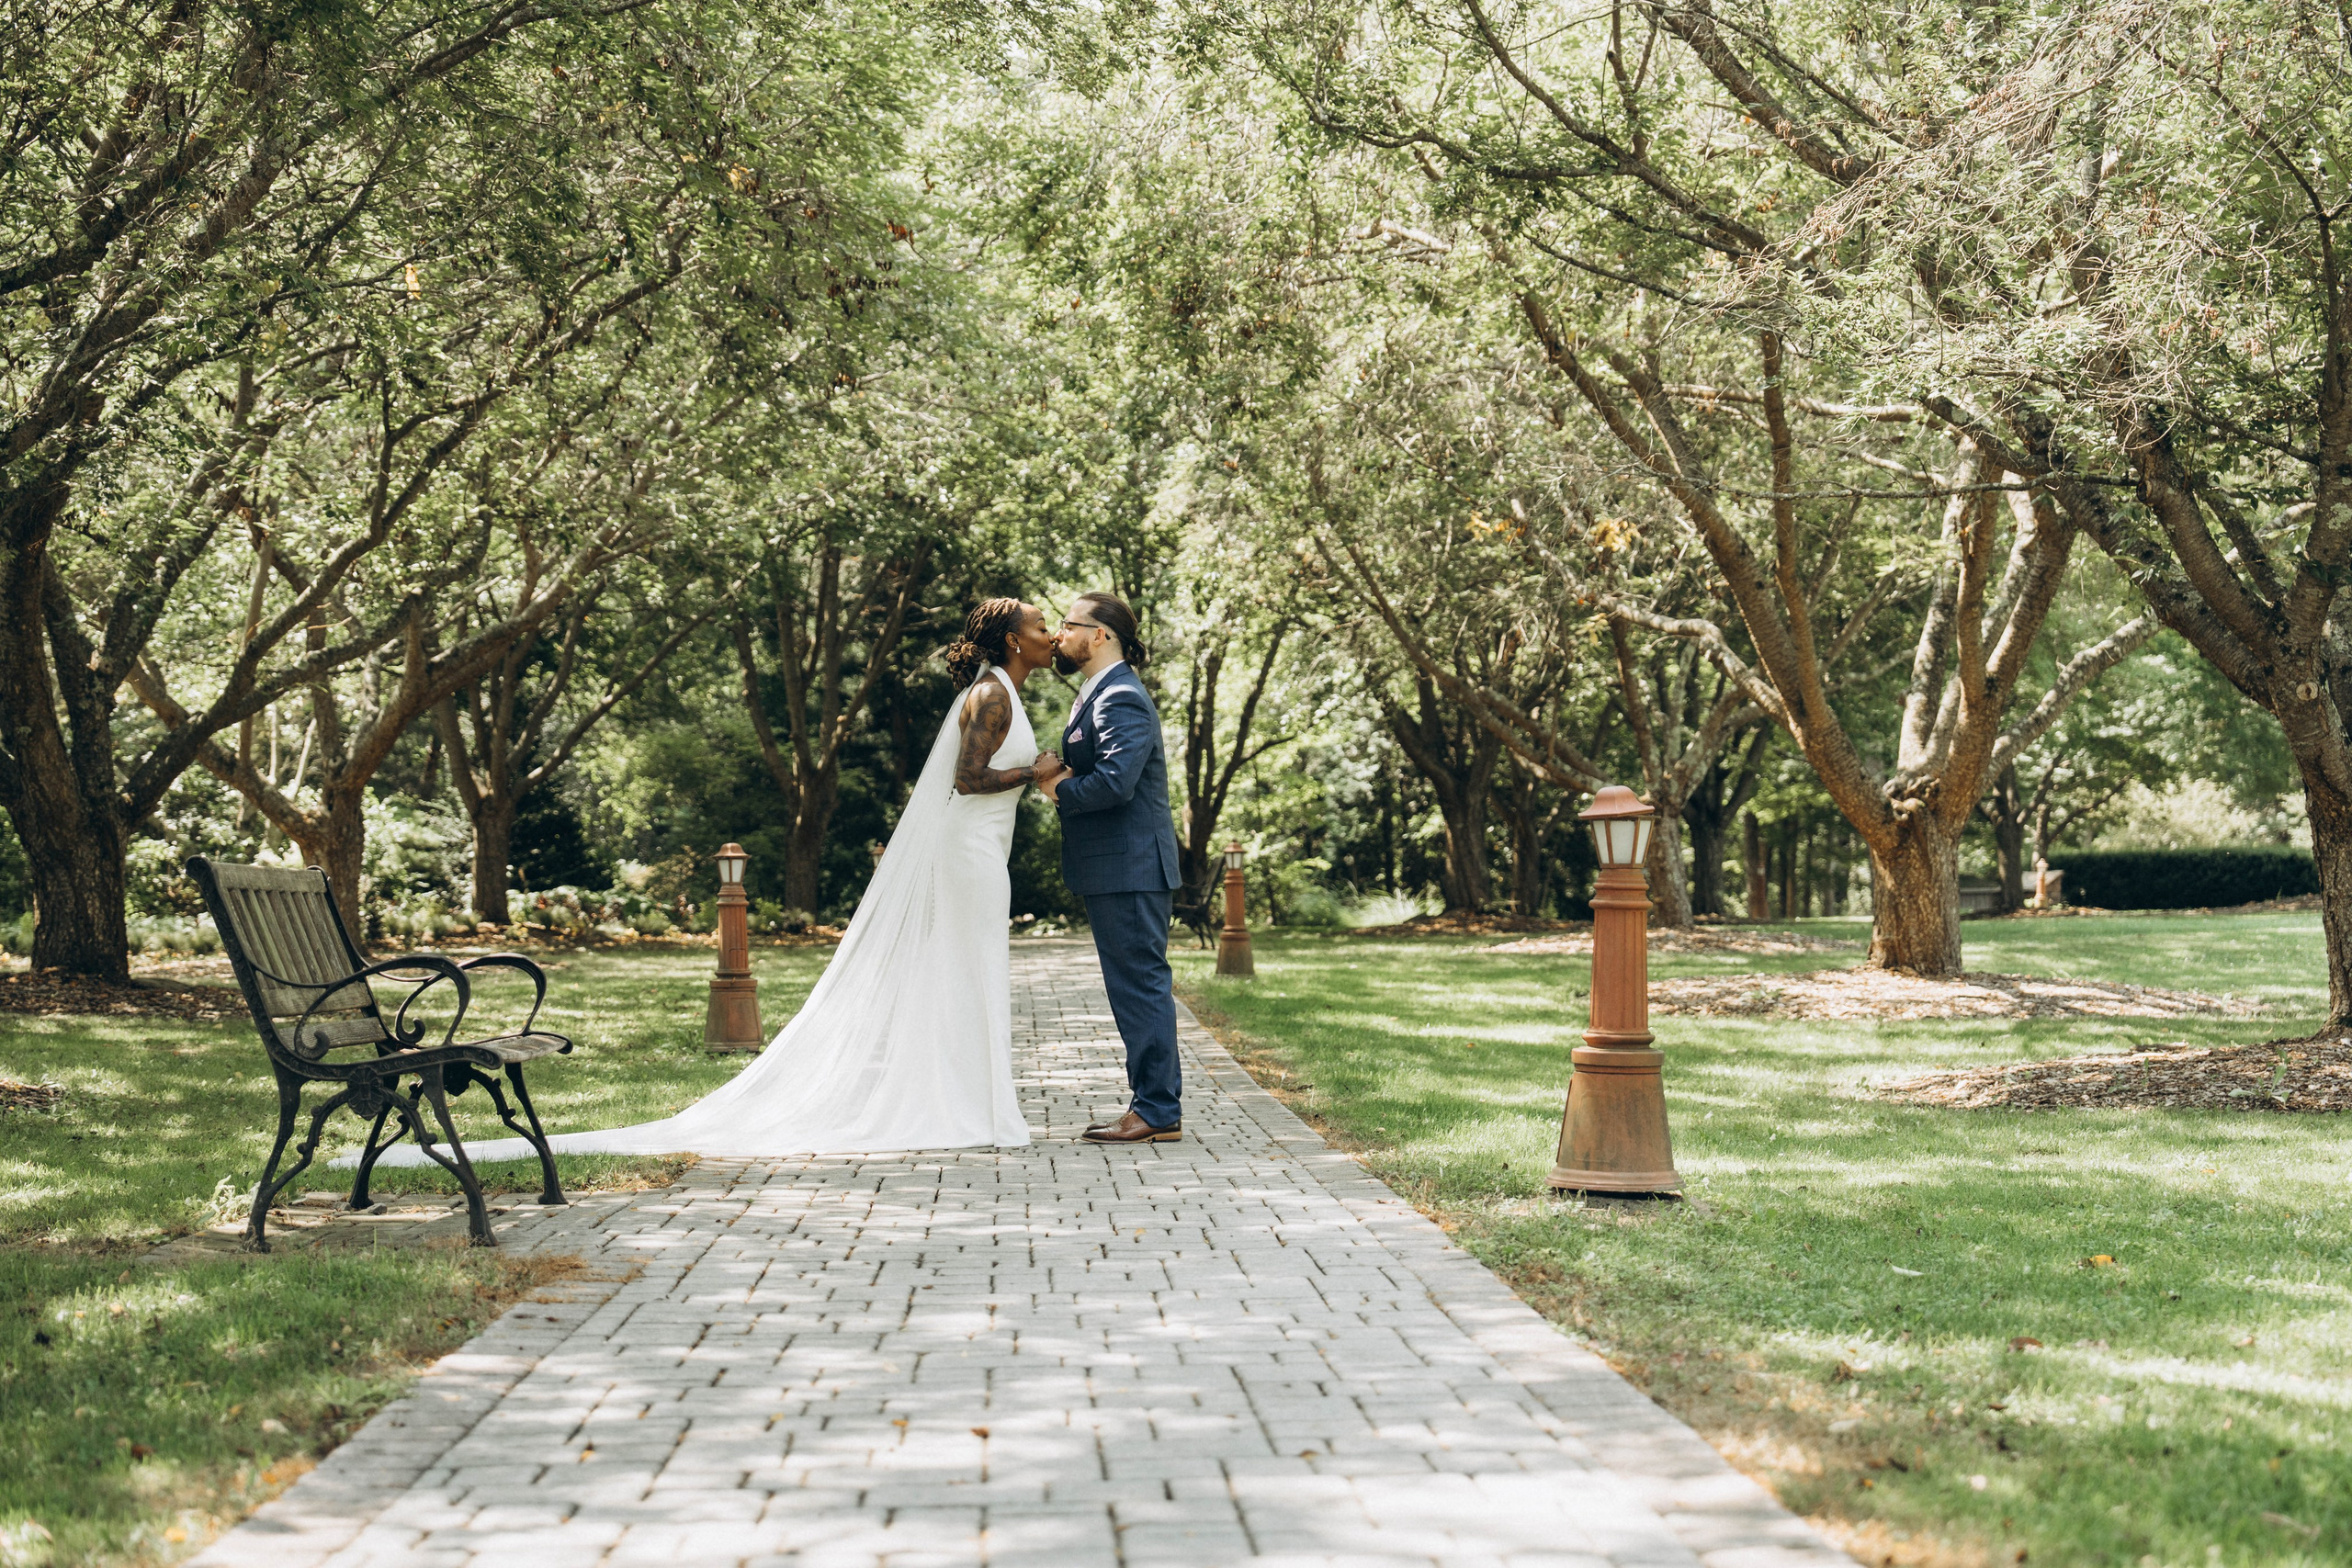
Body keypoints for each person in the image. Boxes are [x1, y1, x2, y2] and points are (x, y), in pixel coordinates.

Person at [341, 598, 1058, 1166]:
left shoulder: (1004, 691)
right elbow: (967, 781)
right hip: (966, 857)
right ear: (1010, 641)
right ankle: (969, 1104)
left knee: (970, 974)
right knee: (966, 972)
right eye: (1039, 624)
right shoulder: (991, 696)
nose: (1050, 631)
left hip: (980, 855)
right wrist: (1038, 771)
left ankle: (973, 1099)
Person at [1038, 592, 1184, 1144]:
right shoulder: (1097, 692)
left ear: (1100, 635)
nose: (1058, 634)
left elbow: (1116, 784)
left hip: (1131, 868)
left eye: (1069, 625)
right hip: (1118, 868)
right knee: (1135, 987)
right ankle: (1152, 1106)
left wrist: (1055, 786)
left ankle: (1156, 1112)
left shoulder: (1119, 695)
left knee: (1140, 987)